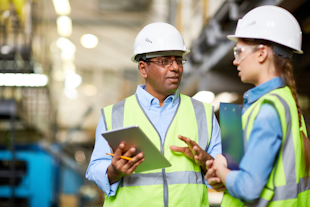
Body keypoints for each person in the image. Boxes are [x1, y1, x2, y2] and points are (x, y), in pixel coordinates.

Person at [86, 22, 222, 207]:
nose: (175, 67)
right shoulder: (114, 115)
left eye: (179, 59)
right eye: (165, 61)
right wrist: (114, 171)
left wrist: (207, 161)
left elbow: (223, 174)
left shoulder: (203, 113)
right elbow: (95, 168)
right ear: (143, 68)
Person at [205, 5, 310, 206]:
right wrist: (225, 176)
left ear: (262, 53)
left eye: (239, 51)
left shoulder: (268, 109)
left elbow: (248, 188)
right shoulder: (285, 102)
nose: (235, 61)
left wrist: (220, 168)